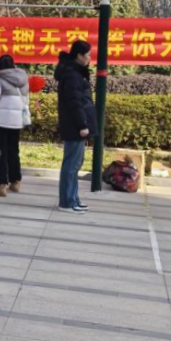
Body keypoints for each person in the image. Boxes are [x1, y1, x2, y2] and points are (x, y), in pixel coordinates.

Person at [55, 40, 96, 213]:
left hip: (75, 125)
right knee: (71, 165)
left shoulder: (74, 73)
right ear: (79, 55)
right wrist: (82, 124)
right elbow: (74, 103)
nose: (90, 58)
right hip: (74, 126)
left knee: (74, 164)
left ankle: (73, 198)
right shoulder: (72, 75)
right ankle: (67, 202)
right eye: (88, 55)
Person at [0, 54, 30, 197]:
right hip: (16, 122)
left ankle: (0, 185)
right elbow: (26, 101)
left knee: (0, 153)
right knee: (13, 151)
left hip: (0, 122)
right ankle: (15, 182)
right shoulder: (23, 80)